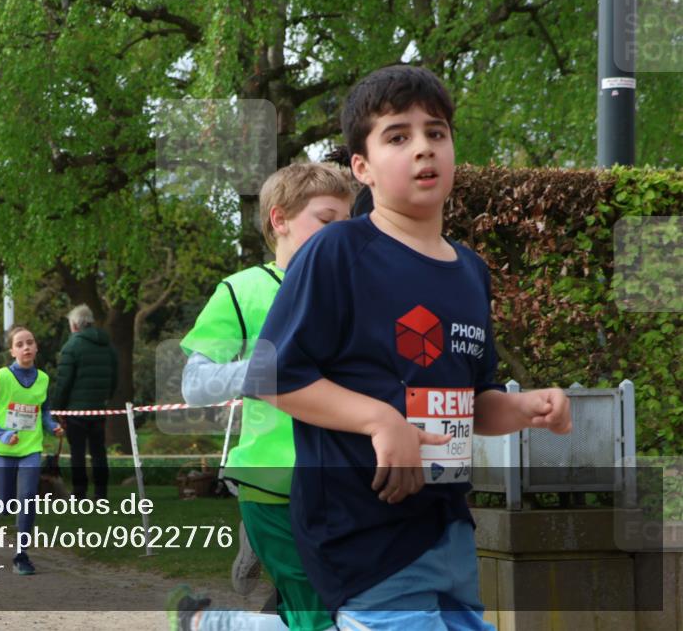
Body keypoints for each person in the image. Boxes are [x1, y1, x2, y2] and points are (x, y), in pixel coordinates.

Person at [239, 65, 571, 631]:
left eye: (435, 132)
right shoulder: (339, 251)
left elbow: (474, 398)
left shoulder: (471, 271)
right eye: (398, 136)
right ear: (362, 167)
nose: (423, 148)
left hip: (449, 532)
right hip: (364, 537)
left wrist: (525, 408)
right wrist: (380, 421)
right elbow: (273, 377)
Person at [174, 162, 355, 631]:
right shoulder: (241, 291)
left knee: (338, 614)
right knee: (319, 617)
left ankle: (206, 623)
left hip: (349, 482)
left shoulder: (357, 291)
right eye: (326, 220)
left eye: (348, 223)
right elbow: (194, 385)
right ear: (280, 220)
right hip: (274, 486)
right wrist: (264, 370)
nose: (341, 235)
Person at [0, 325, 64, 575]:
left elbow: (43, 410)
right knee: (5, 502)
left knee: (27, 500)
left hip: (30, 449)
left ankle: (21, 555)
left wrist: (52, 426)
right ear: (12, 351)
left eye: (30, 342)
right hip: (3, 449)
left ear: (36, 347)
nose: (26, 347)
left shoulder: (44, 379)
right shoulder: (1, 377)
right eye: (20, 344)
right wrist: (2, 434)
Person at [52, 304, 117, 500]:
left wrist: (58, 408)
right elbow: (115, 377)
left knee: (77, 453)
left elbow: (64, 382)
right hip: (99, 408)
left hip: (76, 411)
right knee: (99, 452)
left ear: (75, 325)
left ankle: (79, 493)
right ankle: (101, 493)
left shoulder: (71, 347)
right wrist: (105, 398)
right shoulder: (108, 345)